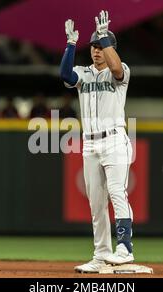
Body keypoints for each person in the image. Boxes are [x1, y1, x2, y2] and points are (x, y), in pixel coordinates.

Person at [60, 10, 134, 273]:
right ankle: (101, 255)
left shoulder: (121, 70)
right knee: (96, 203)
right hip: (90, 144)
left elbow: (115, 68)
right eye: (93, 46)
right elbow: (66, 75)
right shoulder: (84, 73)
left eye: (101, 46)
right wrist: (70, 44)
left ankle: (125, 248)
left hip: (115, 140)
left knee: (117, 192)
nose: (96, 51)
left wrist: (105, 37)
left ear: (111, 48)